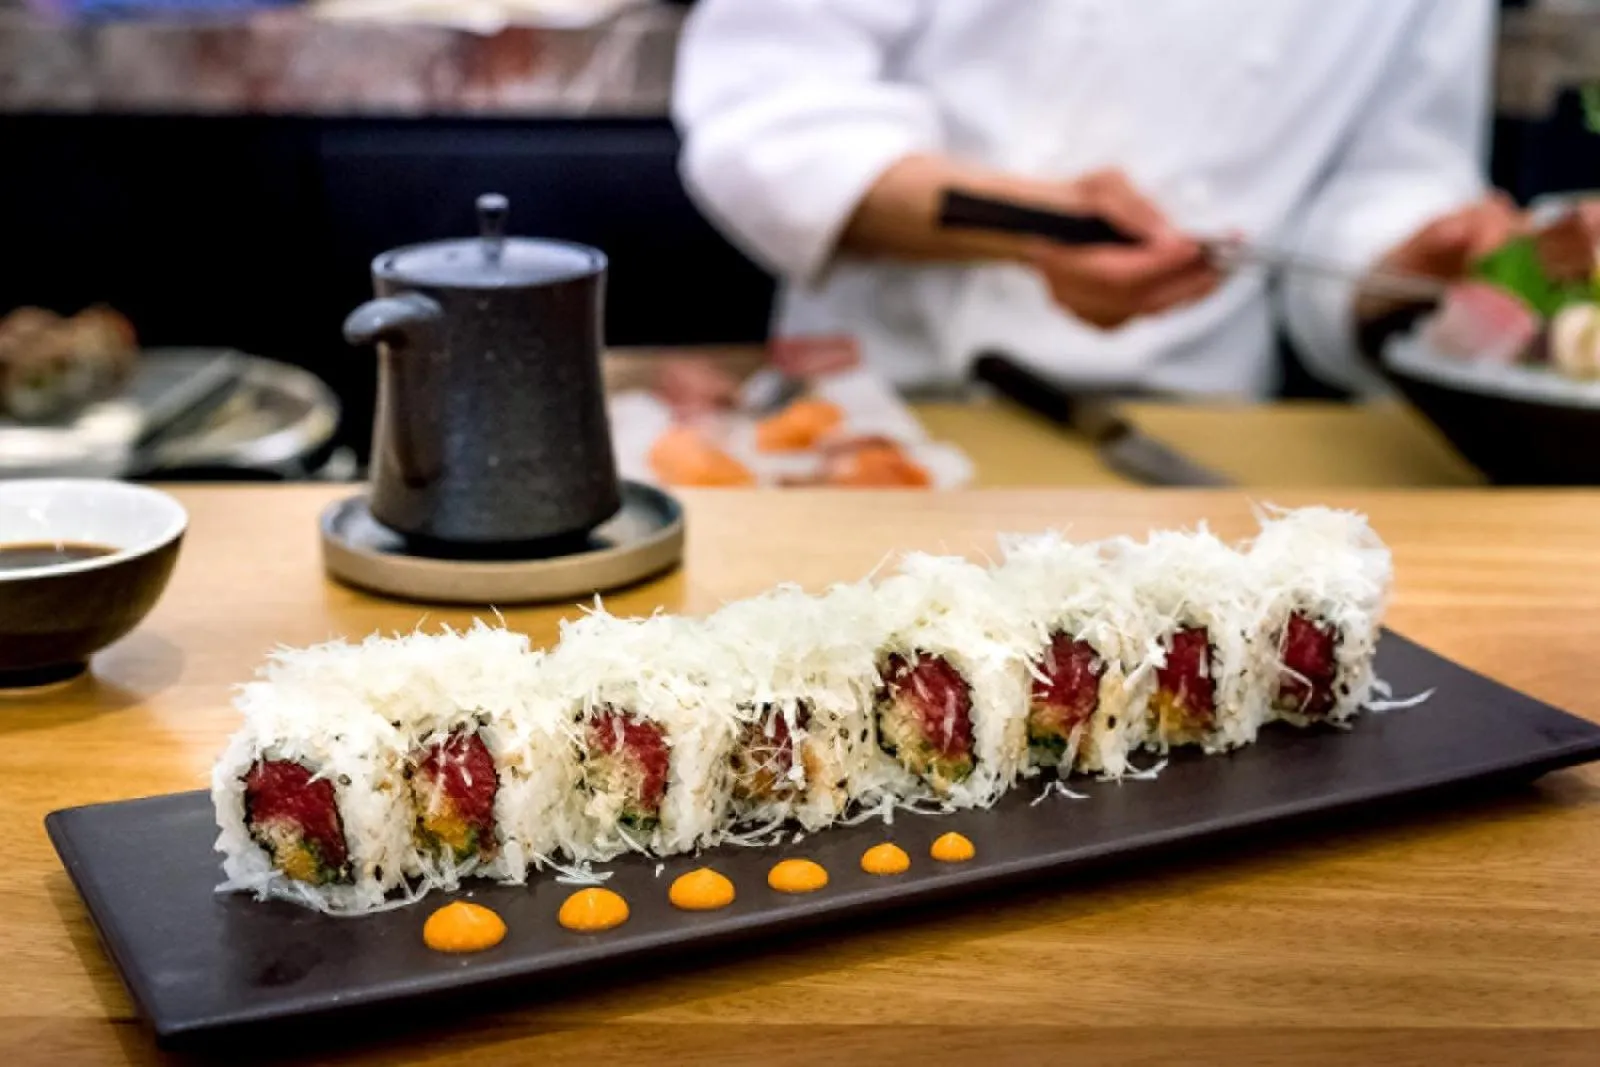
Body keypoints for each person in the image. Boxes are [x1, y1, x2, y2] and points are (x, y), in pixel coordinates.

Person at [671, 0, 1530, 397]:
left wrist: (1411, 260)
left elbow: (1389, 177)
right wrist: (1031, 231)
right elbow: (771, 107)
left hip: (1196, 425)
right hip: (879, 395)